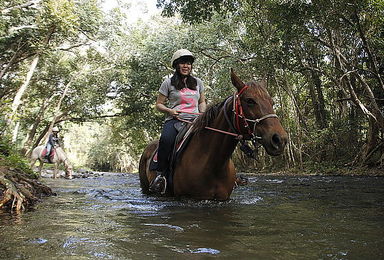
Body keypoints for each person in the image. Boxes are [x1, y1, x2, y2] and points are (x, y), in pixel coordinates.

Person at [149, 49, 207, 194]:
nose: (186, 66)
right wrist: (170, 111)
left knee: (216, 138)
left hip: (195, 120)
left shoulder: (198, 83)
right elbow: (159, 104)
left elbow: (202, 101)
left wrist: (203, 113)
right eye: (182, 63)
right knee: (166, 140)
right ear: (176, 65)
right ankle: (161, 175)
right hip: (175, 119)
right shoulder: (168, 83)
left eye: (188, 63)